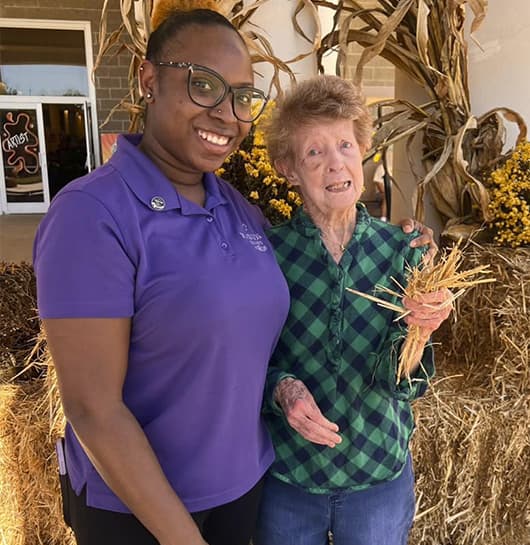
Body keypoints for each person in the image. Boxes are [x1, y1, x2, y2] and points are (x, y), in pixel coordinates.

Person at [33, 8, 437, 545]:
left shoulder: (242, 215)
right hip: (142, 513)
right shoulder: (92, 213)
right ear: (147, 79)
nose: (226, 113)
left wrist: (416, 300)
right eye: (203, 85)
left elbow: (257, 351)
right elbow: (92, 407)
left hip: (246, 493)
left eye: (241, 96)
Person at [254, 75, 452, 545]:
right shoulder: (267, 255)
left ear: (364, 149)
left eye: (345, 144)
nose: (335, 163)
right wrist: (281, 388)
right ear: (288, 168)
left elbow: (405, 386)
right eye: (314, 152)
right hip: (289, 479)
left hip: (377, 477)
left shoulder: (401, 250)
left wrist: (419, 333)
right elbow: (243, 359)